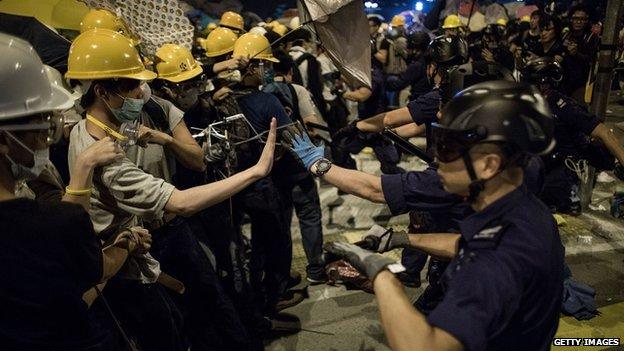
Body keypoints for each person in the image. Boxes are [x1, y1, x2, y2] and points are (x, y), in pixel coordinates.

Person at [66, 28, 277, 350]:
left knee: (207, 306)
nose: (142, 92)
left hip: (155, 241)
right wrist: (255, 172)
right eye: (133, 85)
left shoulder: (98, 129)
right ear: (102, 91)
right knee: (175, 329)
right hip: (133, 262)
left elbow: (194, 161)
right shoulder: (99, 152)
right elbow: (179, 203)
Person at [323, 81, 565, 350]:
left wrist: (382, 275)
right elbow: (466, 243)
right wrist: (401, 240)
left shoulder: (491, 262)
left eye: (447, 147)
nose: (436, 158)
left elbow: (425, 346)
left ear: (488, 164)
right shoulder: (525, 210)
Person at [0, 32, 144, 351]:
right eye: (38, 130)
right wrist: (128, 242)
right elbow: (92, 272)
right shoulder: (54, 225)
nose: (45, 140)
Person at [229, 32, 306, 313]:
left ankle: (256, 289)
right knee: (276, 238)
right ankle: (276, 292)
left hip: (234, 184)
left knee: (249, 245)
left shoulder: (220, 99)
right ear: (251, 67)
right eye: (266, 65)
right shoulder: (267, 101)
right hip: (263, 183)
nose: (270, 70)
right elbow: (291, 137)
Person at [522, 57, 624, 214]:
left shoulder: (562, 105)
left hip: (565, 169)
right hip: (543, 164)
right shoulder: (529, 105)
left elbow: (603, 132)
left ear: (544, 84)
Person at [263, 50, 327, 283]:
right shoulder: (297, 90)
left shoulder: (262, 95)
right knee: (309, 217)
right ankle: (316, 270)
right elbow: (312, 125)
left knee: (282, 223)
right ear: (290, 71)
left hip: (275, 172)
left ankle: (284, 272)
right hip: (300, 169)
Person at [561, 6, 600, 103]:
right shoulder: (566, 35)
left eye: (582, 19)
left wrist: (576, 54)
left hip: (581, 82)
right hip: (564, 80)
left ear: (587, 21)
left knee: (577, 109)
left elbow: (590, 59)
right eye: (575, 18)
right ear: (571, 19)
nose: (578, 22)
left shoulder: (591, 37)